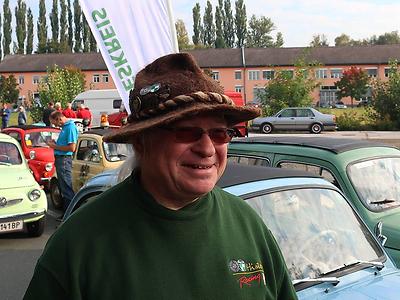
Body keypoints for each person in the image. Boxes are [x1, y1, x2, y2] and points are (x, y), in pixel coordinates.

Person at [24, 53, 297, 300]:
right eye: (187, 132)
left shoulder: (247, 223)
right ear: (142, 142)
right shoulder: (78, 244)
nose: (206, 148)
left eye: (219, 133)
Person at [46, 111, 79, 215]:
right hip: (61, 158)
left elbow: (72, 147)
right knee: (63, 187)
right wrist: (56, 143)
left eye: (55, 123)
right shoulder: (65, 127)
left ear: (59, 119)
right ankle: (67, 213)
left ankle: (71, 214)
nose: (55, 126)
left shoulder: (70, 127)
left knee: (66, 187)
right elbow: (65, 144)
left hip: (64, 159)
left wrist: (54, 146)